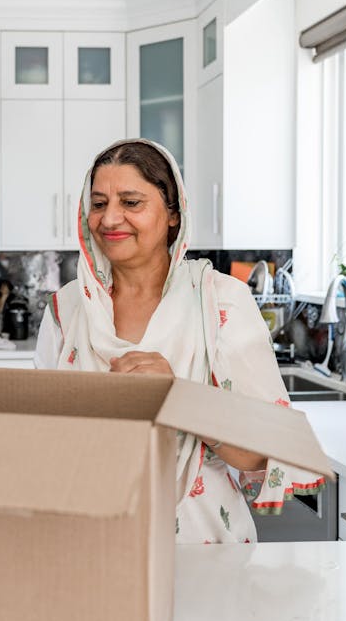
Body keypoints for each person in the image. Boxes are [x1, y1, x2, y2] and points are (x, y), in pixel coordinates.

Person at [35, 137, 325, 544]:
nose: (109, 219)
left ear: (174, 214)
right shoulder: (68, 308)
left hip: (204, 548)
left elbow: (261, 452)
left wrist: (179, 397)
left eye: (131, 202)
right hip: (91, 544)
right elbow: (41, 441)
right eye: (98, 203)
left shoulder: (221, 301)